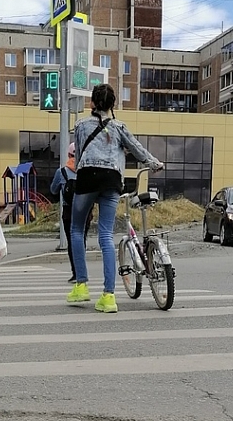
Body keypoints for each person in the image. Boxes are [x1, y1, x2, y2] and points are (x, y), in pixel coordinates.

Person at [67, 83, 164, 314]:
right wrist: (154, 164)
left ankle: (81, 286)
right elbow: (137, 149)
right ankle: (109, 297)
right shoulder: (119, 127)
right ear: (113, 104)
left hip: (87, 177)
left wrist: (82, 172)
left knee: (76, 229)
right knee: (106, 236)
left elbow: (79, 157)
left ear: (92, 103)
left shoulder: (81, 125)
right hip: (112, 180)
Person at [50, 142, 92, 283]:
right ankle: (83, 271)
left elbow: (53, 190)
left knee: (72, 241)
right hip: (86, 210)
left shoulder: (61, 172)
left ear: (69, 155)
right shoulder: (88, 171)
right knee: (82, 240)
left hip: (69, 211)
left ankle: (76, 273)